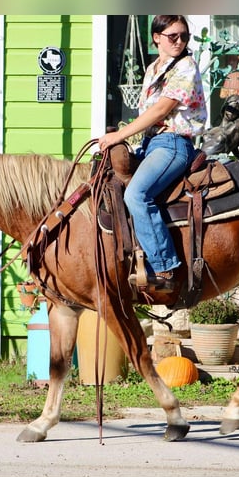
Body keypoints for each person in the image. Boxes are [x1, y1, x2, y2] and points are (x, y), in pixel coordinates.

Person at [98, 15, 207, 293]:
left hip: (172, 144)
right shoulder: (153, 69)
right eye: (173, 36)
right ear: (156, 37)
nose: (180, 41)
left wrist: (118, 136)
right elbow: (147, 116)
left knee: (136, 195)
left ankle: (164, 267)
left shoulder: (186, 66)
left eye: (184, 36)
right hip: (149, 145)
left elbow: (159, 111)